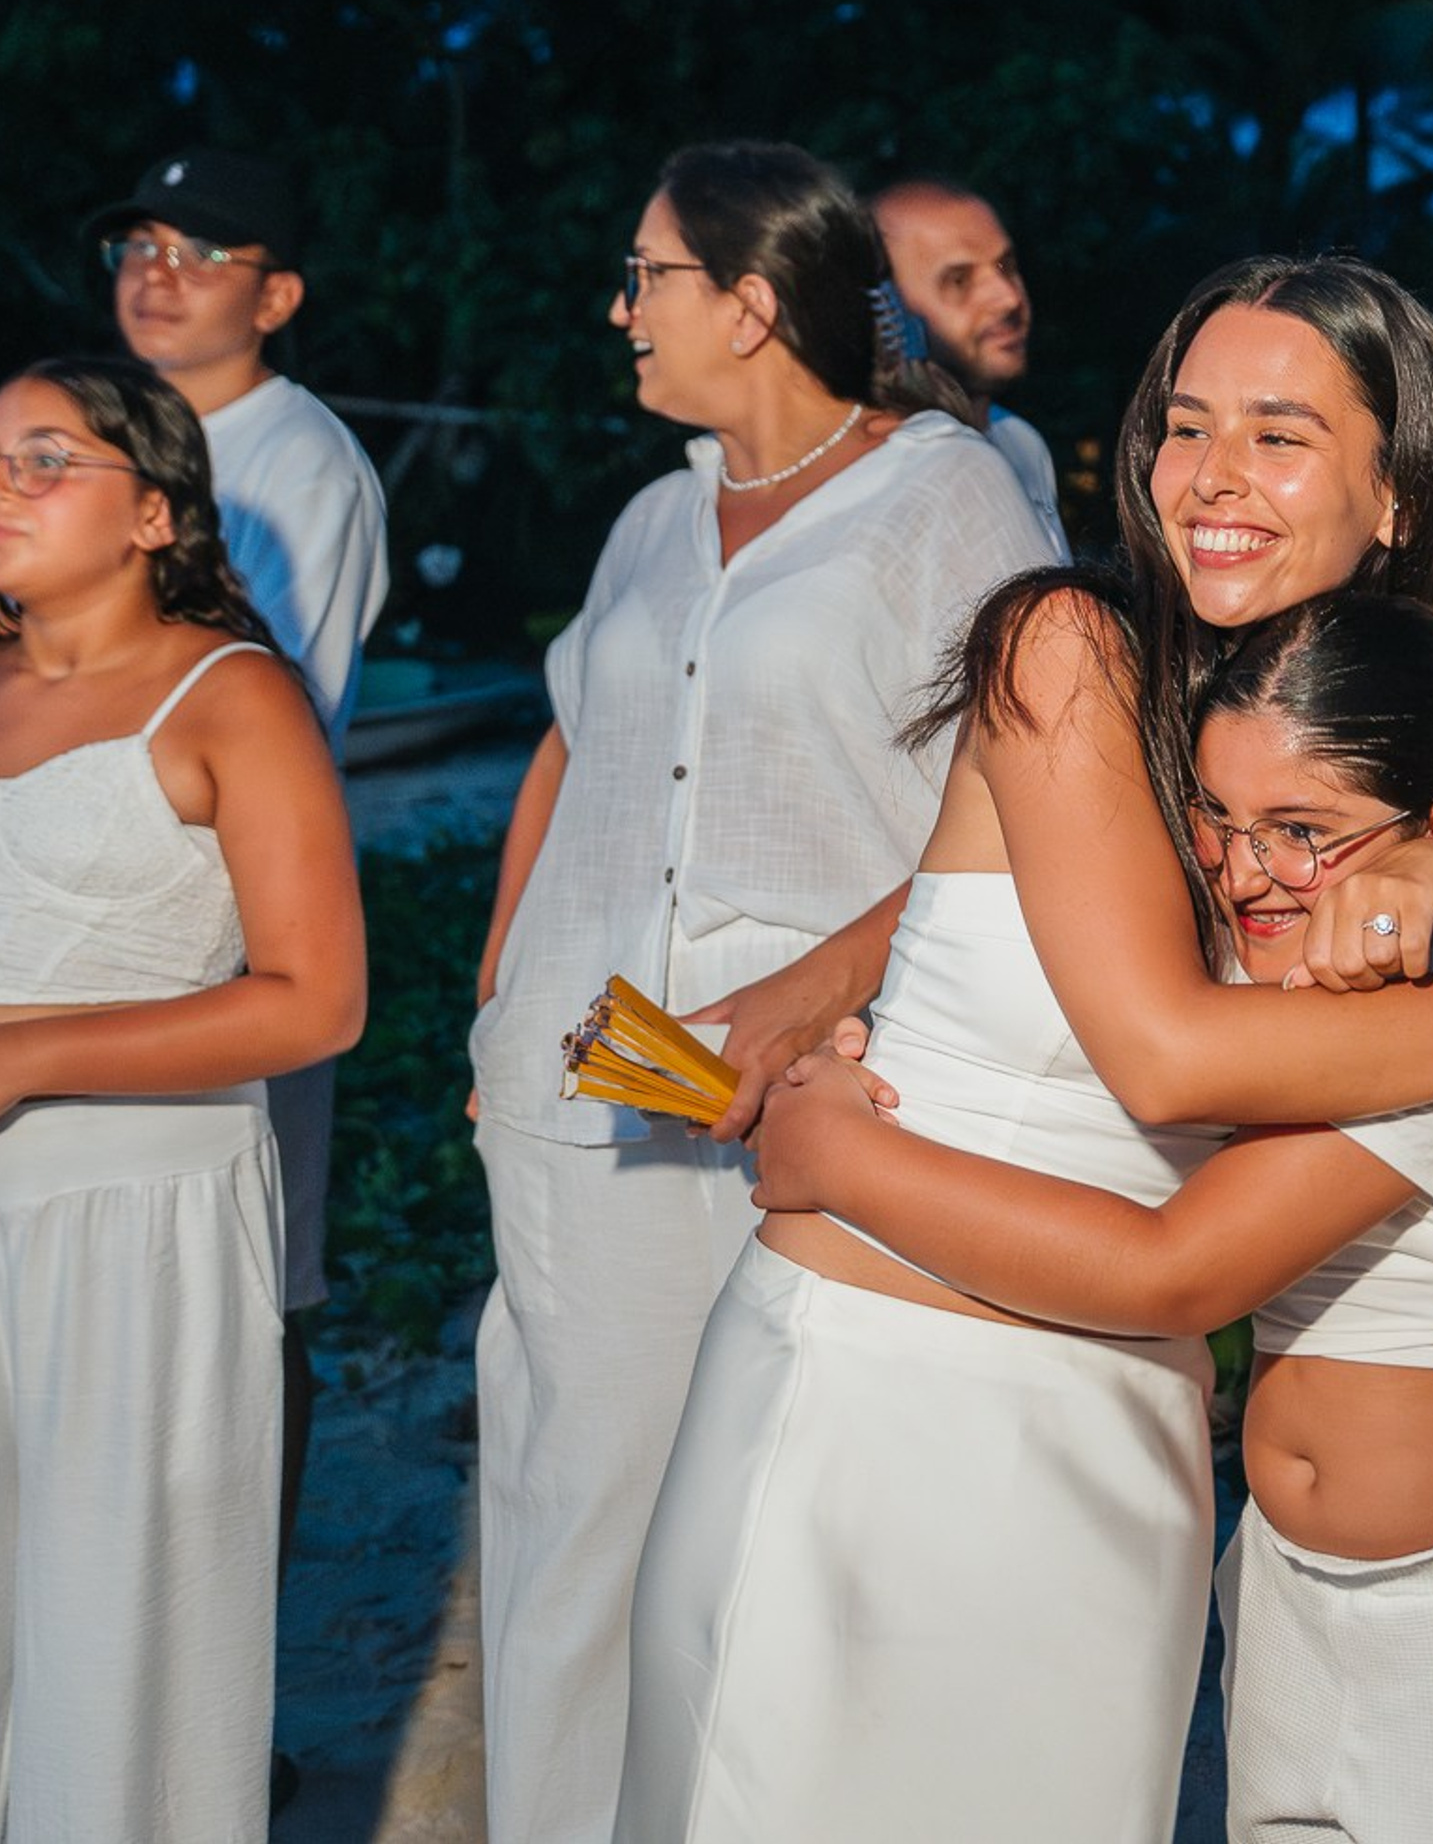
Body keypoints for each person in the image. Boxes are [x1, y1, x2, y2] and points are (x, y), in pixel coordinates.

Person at [614, 257, 1433, 1844]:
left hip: (1119, 1426)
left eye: (1281, 435)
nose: (1210, 477)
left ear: (1396, 496)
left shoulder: (1334, 747)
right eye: (1185, 426)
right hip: (891, 1406)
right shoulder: (1070, 643)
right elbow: (1167, 1058)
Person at [752, 589, 1433, 1843]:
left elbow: (1180, 1270)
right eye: (1215, 821)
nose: (1241, 867)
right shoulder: (1284, 956)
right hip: (1296, 1602)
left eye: (1297, 829)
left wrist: (836, 1156)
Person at [466, 142, 1062, 1844]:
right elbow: (581, 747)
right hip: (585, 1099)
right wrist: (500, 1001)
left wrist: (807, 990)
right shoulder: (654, 516)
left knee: (788, 1537)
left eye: (643, 275)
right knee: (575, 1521)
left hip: (816, 1103)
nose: (617, 309)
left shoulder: (950, 494)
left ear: (750, 301)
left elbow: (1028, 797)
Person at [0, 354, 364, 1843]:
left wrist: (22, 1057)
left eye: (41, 460)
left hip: (134, 1228)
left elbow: (315, 999)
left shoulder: (233, 696)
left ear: (155, 510)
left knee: (108, 1653)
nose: (2, 491)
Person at [87, 142, 391, 1761]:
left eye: (204, 251)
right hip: (74, 929)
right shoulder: (79, 436)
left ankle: (224, 1691)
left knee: (243, 1310)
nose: (159, 270)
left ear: (276, 294)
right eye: (139, 241)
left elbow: (281, 719)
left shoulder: (295, 465)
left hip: (217, 937)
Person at [874, 174, 1061, 541]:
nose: (1008, 298)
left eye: (1006, 266)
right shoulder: (880, 474)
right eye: (959, 280)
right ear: (888, 308)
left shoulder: (1023, 443)